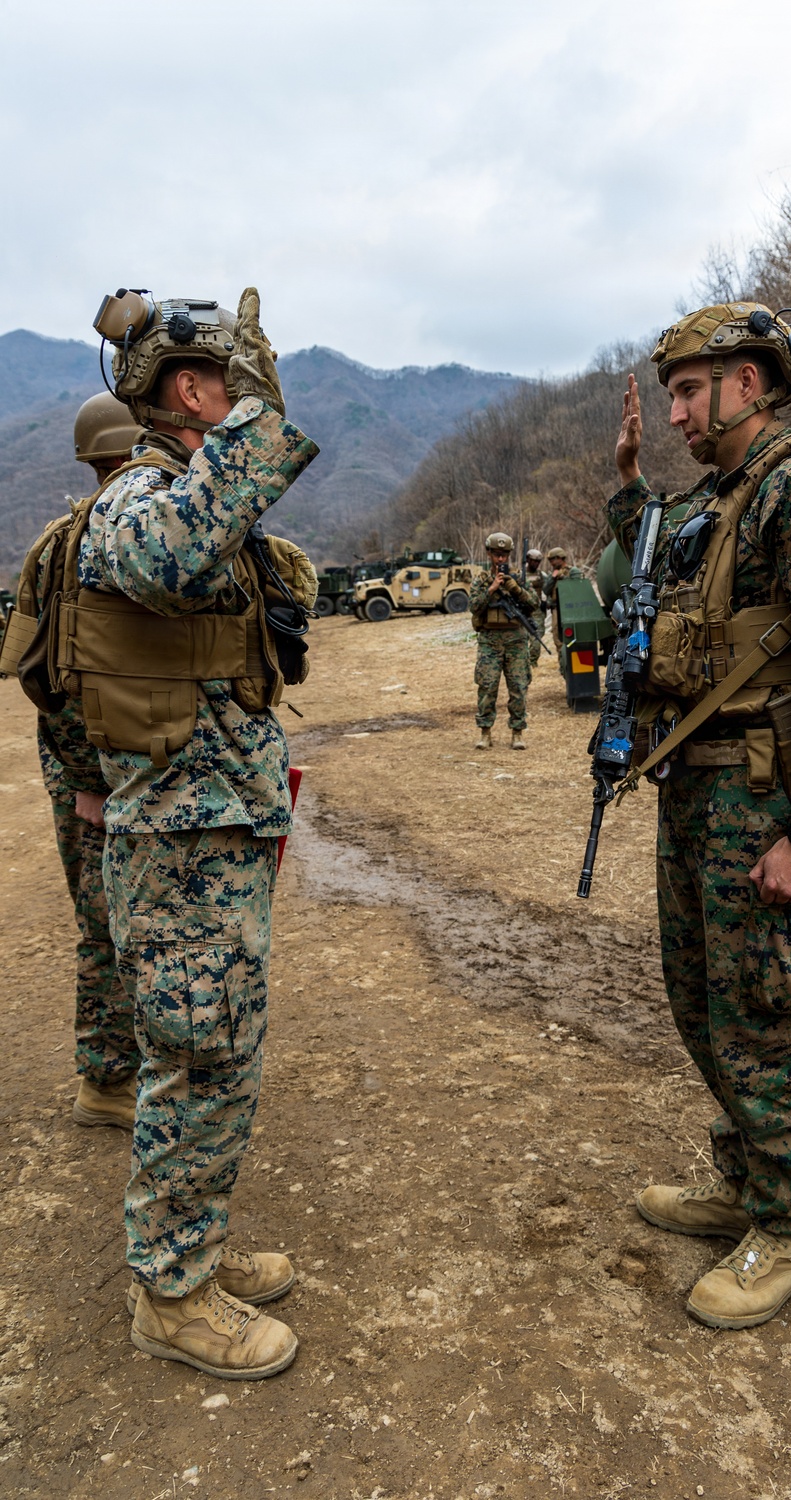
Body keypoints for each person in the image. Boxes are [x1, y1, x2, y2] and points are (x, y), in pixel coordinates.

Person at [607, 302, 791, 1330]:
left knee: (766, 1017)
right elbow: (668, 587)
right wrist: (628, 489)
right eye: (671, 395)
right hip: (700, 796)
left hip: (768, 801)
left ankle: (790, 1224)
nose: (677, 413)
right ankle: (744, 1182)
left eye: (690, 391)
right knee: (702, 1004)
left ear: (749, 383)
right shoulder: (723, 499)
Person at [72, 287, 320, 1378]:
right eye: (232, 380)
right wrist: (259, 417)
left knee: (218, 1059)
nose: (248, 396)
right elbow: (172, 558)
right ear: (190, 389)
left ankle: (195, 1254)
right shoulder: (137, 499)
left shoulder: (190, 495)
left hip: (213, 835)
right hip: (179, 847)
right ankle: (170, 1296)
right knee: (194, 1060)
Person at [17, 394, 142, 1130]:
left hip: (122, 769)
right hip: (91, 776)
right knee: (105, 926)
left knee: (136, 924)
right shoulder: (80, 547)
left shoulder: (108, 535)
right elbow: (55, 683)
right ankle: (105, 1081)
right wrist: (90, 786)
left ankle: (135, 1063)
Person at [469, 531, 537, 749]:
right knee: (487, 687)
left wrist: (515, 589)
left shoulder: (518, 578)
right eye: (497, 554)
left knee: (518, 687)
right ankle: (485, 733)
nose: (500, 559)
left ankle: (517, 733)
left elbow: (534, 604)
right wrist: (492, 589)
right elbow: (474, 606)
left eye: (504, 555)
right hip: (489, 641)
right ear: (489, 554)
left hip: (516, 641)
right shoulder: (481, 580)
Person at [524, 547, 547, 668]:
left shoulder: (541, 575)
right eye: (534, 561)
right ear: (528, 560)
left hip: (537, 610)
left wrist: (545, 602)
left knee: (537, 637)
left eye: (538, 561)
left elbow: (548, 588)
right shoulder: (521, 574)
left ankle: (532, 662)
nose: (536, 564)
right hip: (523, 610)